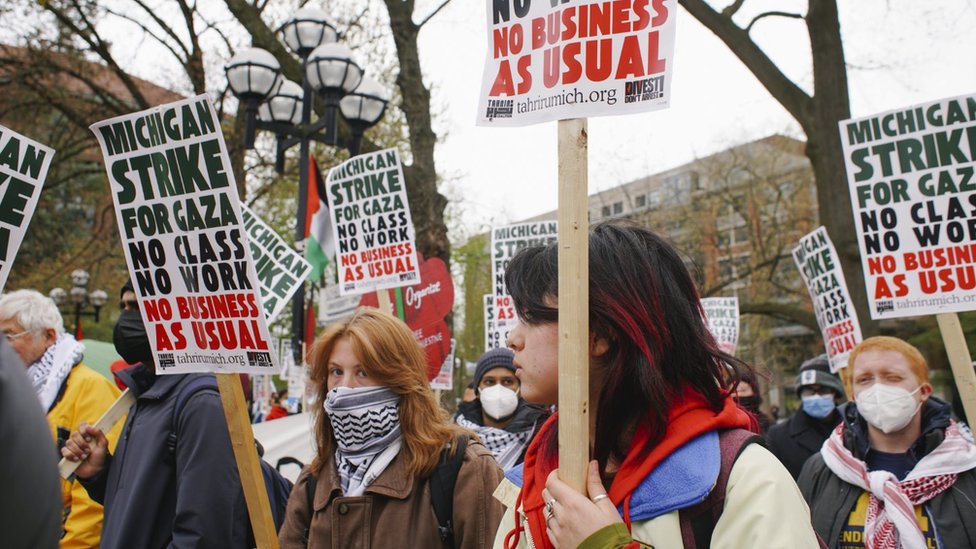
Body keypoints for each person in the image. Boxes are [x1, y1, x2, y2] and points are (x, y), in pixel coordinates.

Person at [495, 222, 820, 549]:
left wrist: (608, 547)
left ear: (602, 335)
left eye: (530, 317)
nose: (511, 338)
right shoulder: (532, 482)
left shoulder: (745, 481)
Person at [277, 308, 504, 548]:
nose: (344, 388)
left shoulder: (463, 470)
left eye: (363, 372)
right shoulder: (314, 479)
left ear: (400, 380)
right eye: (336, 372)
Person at [60, 284, 251, 548]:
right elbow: (147, 511)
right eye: (124, 306)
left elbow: (203, 535)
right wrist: (100, 473)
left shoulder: (202, 402)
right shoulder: (146, 392)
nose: (127, 316)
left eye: (138, 307)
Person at [799, 336, 976, 548]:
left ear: (923, 391)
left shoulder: (967, 468)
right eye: (865, 380)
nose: (877, 389)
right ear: (853, 395)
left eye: (892, 377)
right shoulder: (821, 469)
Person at [0, 289, 123, 548]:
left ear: (48, 336)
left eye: (7, 336)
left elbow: (92, 504)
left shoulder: (90, 387)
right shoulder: (16, 388)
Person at [0, 337, 62, 549]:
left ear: (48, 336)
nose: (7, 344)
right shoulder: (21, 377)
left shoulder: (85, 384)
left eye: (10, 335)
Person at [455, 347, 549, 469]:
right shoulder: (456, 440)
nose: (498, 389)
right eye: (489, 382)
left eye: (507, 381)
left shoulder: (541, 438)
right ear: (478, 391)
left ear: (520, 389)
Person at [766, 355, 845, 479]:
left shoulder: (853, 429)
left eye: (823, 390)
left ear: (835, 392)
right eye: (809, 391)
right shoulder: (778, 436)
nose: (816, 396)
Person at [734, 368, 773, 434]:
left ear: (754, 392)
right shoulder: (725, 423)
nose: (739, 394)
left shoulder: (766, 423)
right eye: (735, 391)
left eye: (743, 390)